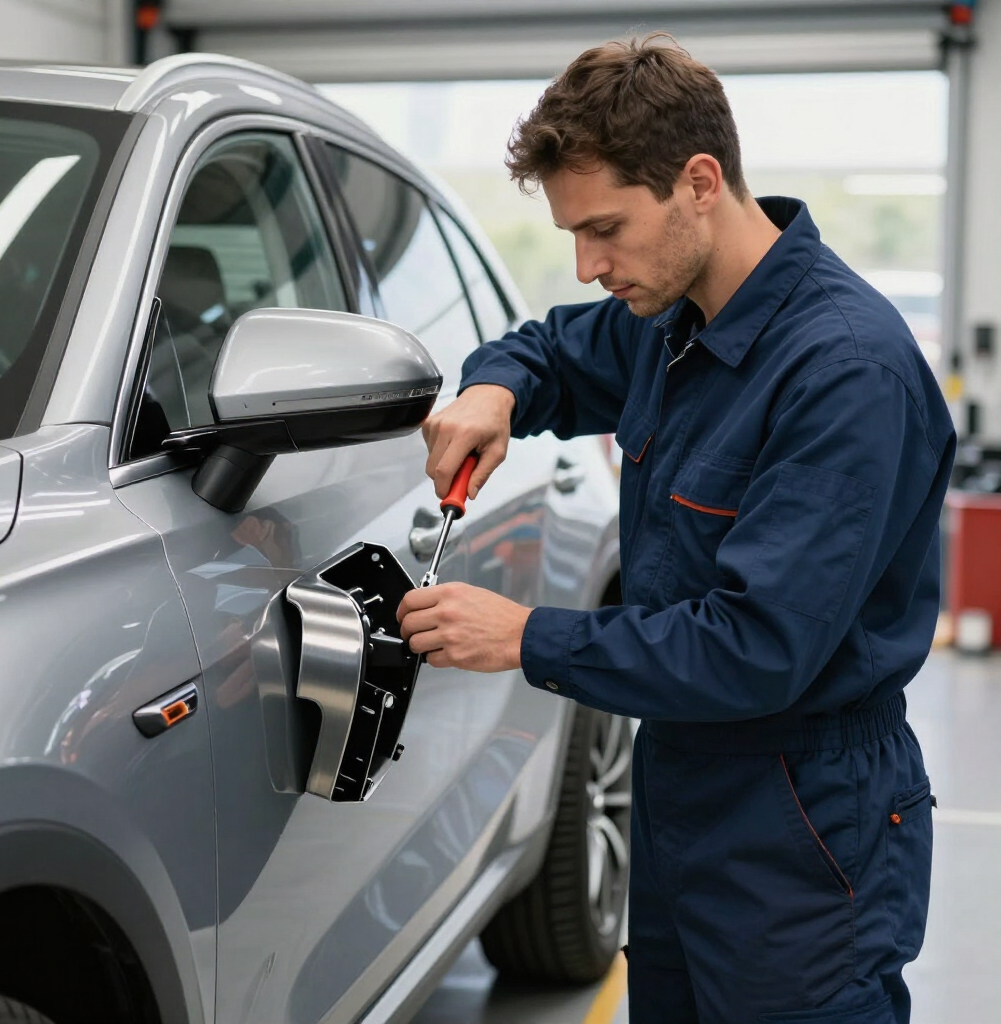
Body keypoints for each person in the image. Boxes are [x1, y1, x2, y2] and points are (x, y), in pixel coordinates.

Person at [396, 33, 955, 1024]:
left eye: (605, 228)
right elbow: (552, 350)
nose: (587, 263)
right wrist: (494, 390)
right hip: (682, 785)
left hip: (803, 821)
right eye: (573, 233)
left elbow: (754, 647)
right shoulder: (676, 317)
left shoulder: (843, 375)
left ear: (700, 181)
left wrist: (523, 636)